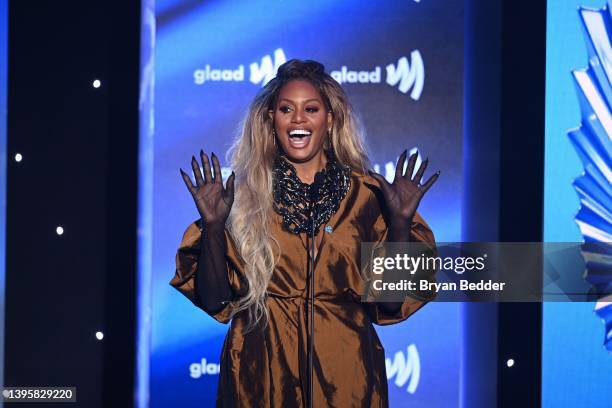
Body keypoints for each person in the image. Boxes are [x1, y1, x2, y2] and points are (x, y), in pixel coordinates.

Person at [170, 59, 439, 407]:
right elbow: (215, 301)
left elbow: (390, 304)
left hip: (346, 373)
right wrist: (213, 228)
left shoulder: (368, 195)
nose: (298, 119)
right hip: (260, 369)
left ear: (330, 119)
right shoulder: (242, 196)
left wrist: (400, 225)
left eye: (310, 109)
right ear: (271, 120)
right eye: (286, 109)